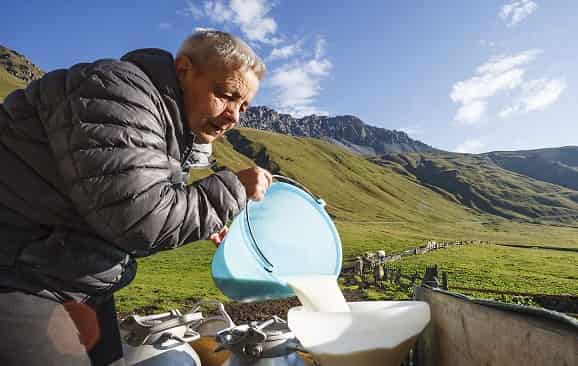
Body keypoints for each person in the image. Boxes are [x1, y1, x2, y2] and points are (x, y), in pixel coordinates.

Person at [0, 30, 271, 365]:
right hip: (16, 270)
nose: (234, 116)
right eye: (226, 94)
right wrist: (232, 191)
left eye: (243, 106)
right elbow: (139, 219)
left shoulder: (168, 125)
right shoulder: (117, 93)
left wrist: (203, 213)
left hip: (68, 273)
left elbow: (120, 197)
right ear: (184, 70)